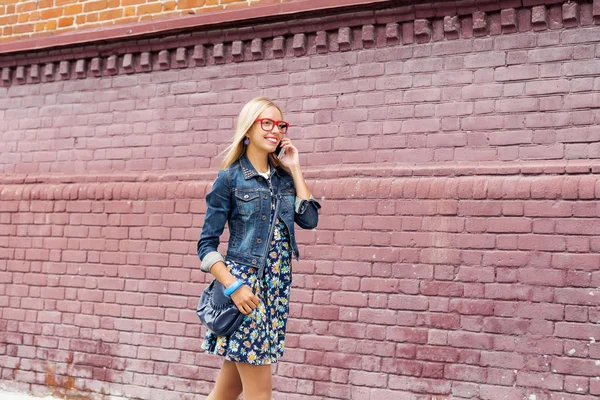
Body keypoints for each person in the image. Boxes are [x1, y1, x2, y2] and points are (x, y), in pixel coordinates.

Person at [197, 96, 321, 400]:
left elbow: (309, 219)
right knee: (259, 393)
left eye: (280, 125)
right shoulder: (229, 179)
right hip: (246, 293)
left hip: (276, 290)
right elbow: (206, 245)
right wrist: (233, 287)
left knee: (227, 391)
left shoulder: (282, 179)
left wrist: (295, 168)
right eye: (266, 123)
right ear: (248, 129)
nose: (275, 130)